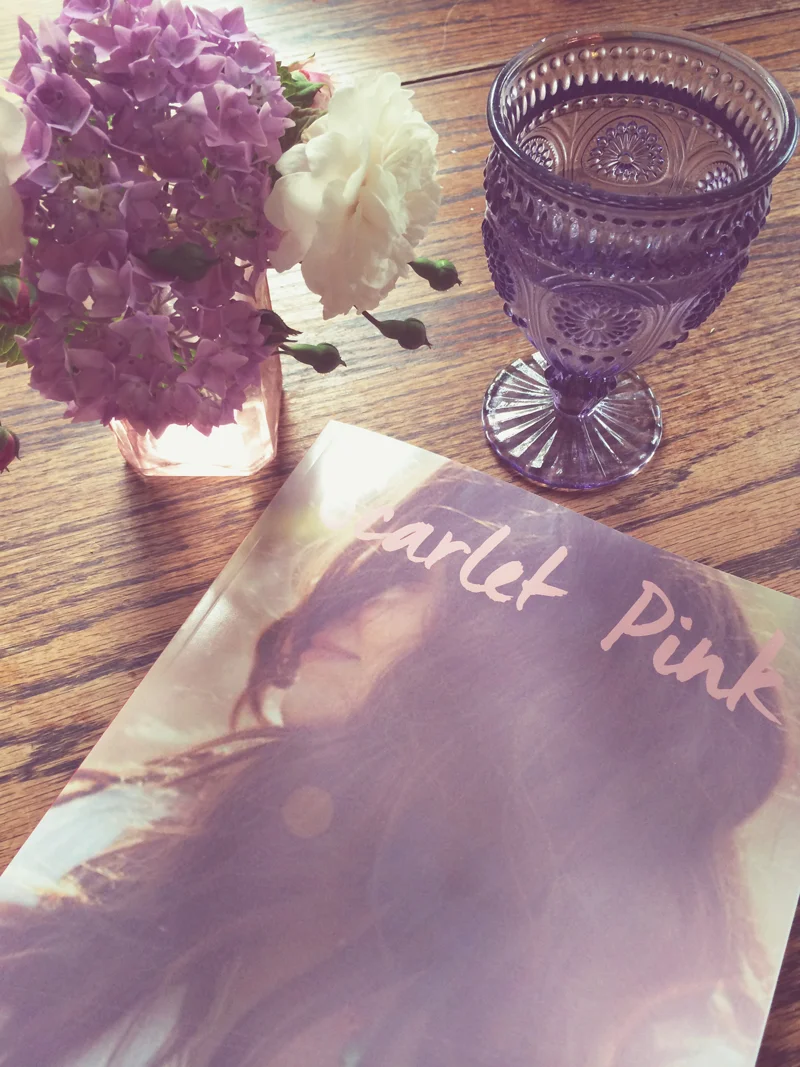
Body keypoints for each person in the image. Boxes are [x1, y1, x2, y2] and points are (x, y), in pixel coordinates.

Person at [0, 466, 788, 1067]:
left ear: (550, 696)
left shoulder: (633, 1034)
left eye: (420, 584)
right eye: (395, 563)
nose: (359, 599)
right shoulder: (121, 834)